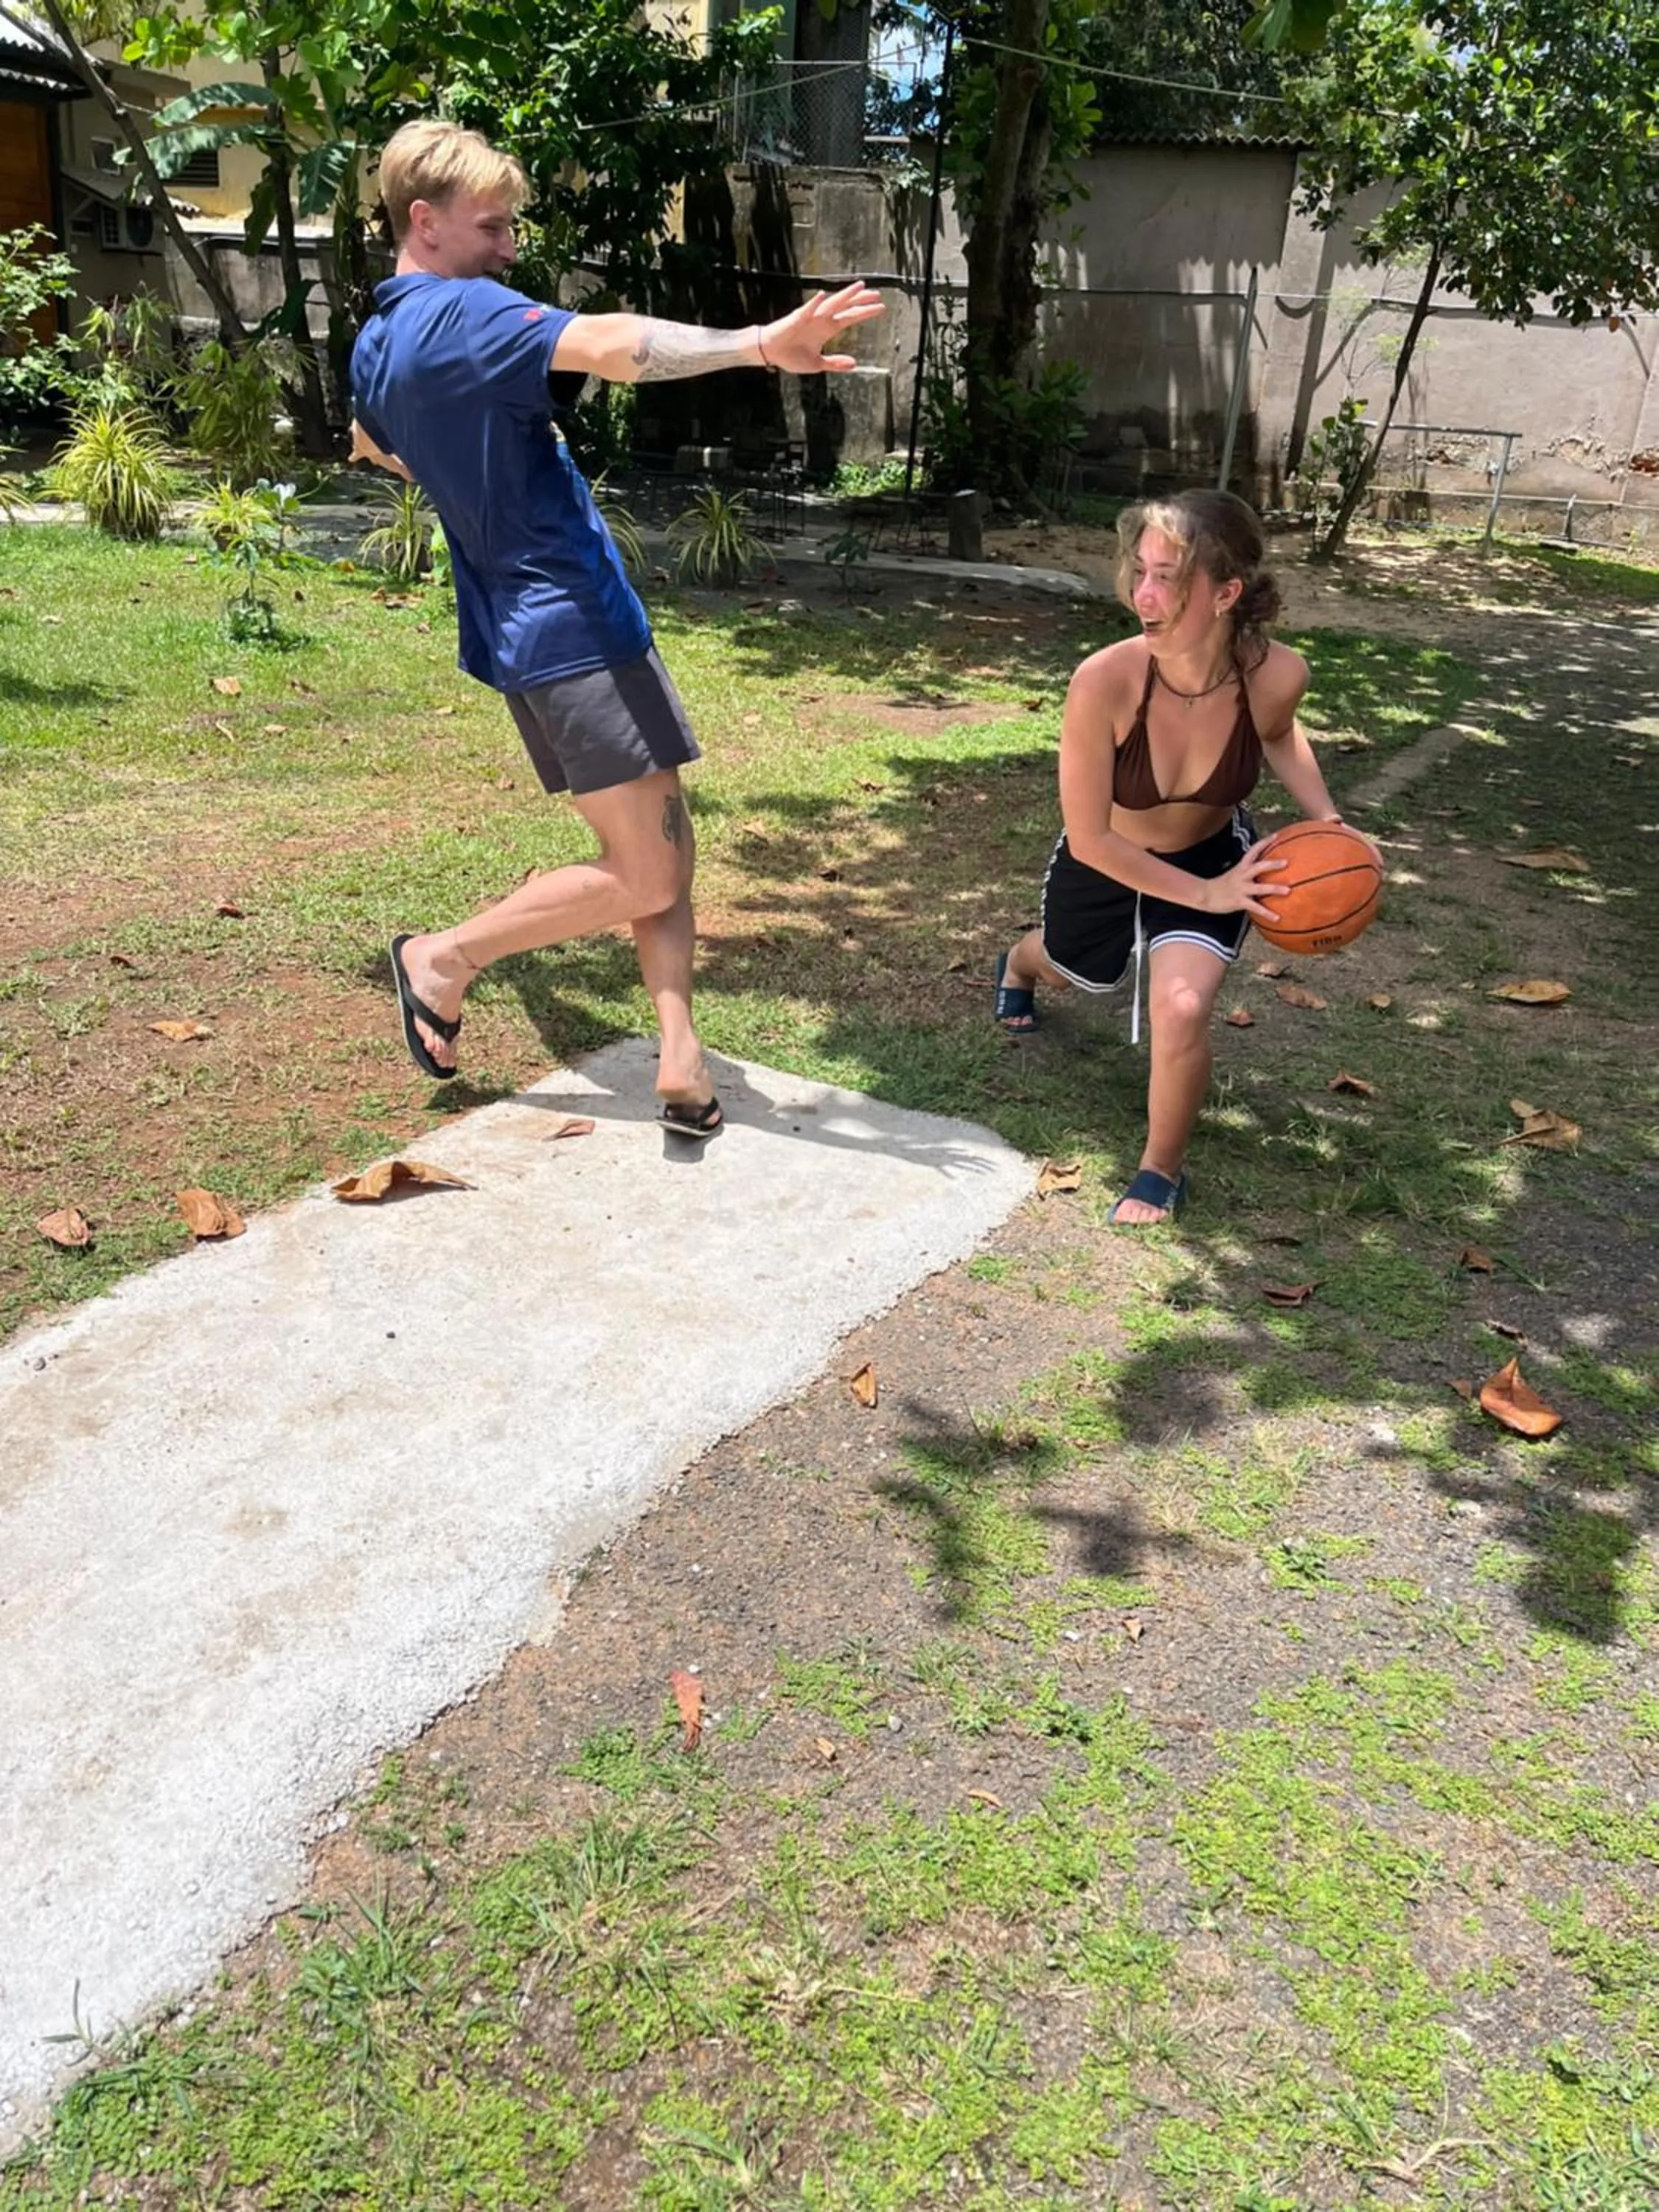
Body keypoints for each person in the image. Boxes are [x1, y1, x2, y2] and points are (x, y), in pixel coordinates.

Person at [349, 119, 883, 1133]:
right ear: (424, 222)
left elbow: (376, 446)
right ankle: (442, 957)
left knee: (661, 837)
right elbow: (613, 343)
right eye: (492, 225)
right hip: (571, 624)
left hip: (524, 629)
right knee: (646, 866)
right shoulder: (465, 314)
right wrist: (761, 344)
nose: (508, 248)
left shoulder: (377, 340)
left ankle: (680, 1055)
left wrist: (471, 466)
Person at [992, 489, 1368, 1224]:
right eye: (1140, 571)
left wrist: (1330, 822)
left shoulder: (1275, 675)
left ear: (1227, 593)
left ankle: (1159, 1171)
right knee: (1076, 966)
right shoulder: (1103, 681)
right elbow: (1093, 837)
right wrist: (1209, 896)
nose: (1145, 593)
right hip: (1108, 860)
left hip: (1210, 856)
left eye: (1168, 577)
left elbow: (1280, 734)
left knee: (1182, 1005)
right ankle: (1018, 964)